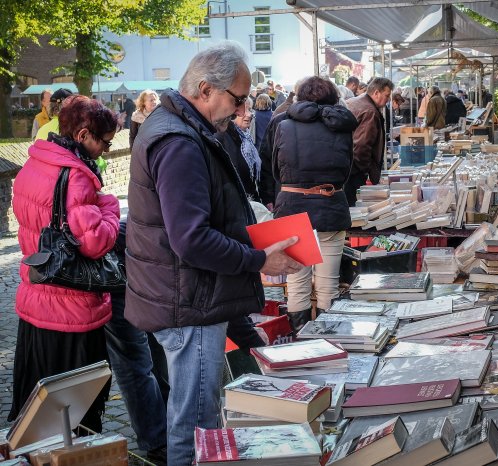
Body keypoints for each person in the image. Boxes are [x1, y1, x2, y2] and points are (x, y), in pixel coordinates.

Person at [125, 41, 303, 465]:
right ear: (205, 89)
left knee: (199, 413)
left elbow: (203, 224)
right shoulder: (179, 141)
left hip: (192, 294)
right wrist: (260, 260)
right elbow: (191, 239)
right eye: (237, 99)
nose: (243, 110)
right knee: (196, 422)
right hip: (189, 302)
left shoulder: (184, 129)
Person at [10, 95, 120, 434]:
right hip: (72, 308)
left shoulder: (34, 164)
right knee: (76, 410)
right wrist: (110, 207)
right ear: (84, 134)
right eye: (105, 141)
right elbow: (95, 240)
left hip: (36, 298)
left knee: (40, 407)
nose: (105, 148)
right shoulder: (77, 177)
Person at [272, 76, 358, 331]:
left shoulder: (283, 124)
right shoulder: (343, 126)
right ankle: (327, 342)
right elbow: (347, 170)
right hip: (331, 204)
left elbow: (275, 169)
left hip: (292, 205)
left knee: (297, 281)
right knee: (328, 283)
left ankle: (300, 342)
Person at [105, 221, 168, 465]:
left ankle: (164, 430)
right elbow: (93, 233)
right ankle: (157, 439)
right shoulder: (73, 182)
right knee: (135, 362)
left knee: (152, 352)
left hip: (132, 266)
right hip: (109, 275)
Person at [345, 77, 394, 207]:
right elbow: (362, 145)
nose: (388, 99)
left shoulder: (353, 101)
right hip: (355, 170)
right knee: (354, 208)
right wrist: (365, 171)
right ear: (376, 92)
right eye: (387, 95)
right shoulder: (370, 111)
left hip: (345, 165)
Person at [216, 96, 262, 202]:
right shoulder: (222, 136)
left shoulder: (245, 138)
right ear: (231, 113)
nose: (249, 115)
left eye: (250, 110)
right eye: (245, 110)